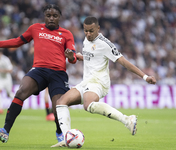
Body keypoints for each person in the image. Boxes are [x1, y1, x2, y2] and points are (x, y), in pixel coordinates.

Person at [0, 4, 77, 143]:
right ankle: (5, 131)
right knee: (20, 92)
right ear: (44, 17)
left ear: (59, 17)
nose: (51, 18)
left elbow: (73, 58)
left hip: (58, 73)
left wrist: (71, 57)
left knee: (58, 106)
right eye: (48, 16)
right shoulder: (35, 28)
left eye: (55, 16)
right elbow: (17, 42)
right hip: (39, 70)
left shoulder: (67, 34)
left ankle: (60, 134)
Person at [51, 16, 157, 147]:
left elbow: (123, 61)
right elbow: (93, 57)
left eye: (91, 31)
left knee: (88, 105)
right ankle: (67, 138)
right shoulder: (86, 40)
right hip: (87, 81)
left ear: (98, 29)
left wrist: (145, 77)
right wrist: (78, 57)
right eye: (85, 31)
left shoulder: (105, 44)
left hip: (99, 82)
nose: (88, 34)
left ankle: (127, 120)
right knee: (61, 102)